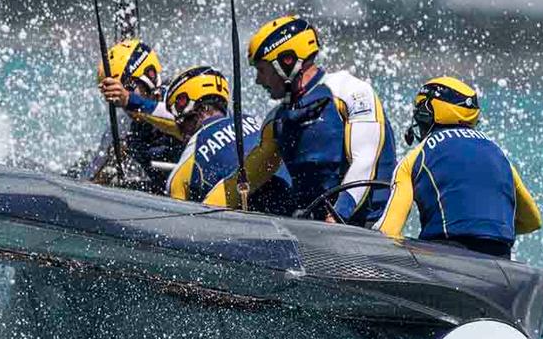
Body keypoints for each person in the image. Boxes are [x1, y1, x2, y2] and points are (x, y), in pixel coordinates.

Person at [203, 15, 396, 226]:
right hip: (316, 231)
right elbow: (242, 181)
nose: (259, 81)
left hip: (368, 230)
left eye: (262, 70)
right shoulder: (276, 121)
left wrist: (337, 216)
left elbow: (365, 161)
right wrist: (201, 216)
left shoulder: (350, 92)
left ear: (287, 62)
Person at [372, 77, 542, 258]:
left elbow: (388, 231)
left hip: (444, 260)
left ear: (429, 112)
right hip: (500, 260)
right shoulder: (498, 154)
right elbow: (533, 221)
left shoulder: (417, 156)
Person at [164, 66, 291, 212]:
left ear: (189, 108)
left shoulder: (195, 146)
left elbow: (175, 213)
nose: (179, 130)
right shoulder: (257, 122)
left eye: (178, 121)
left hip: (255, 223)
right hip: (299, 205)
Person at [94, 39, 184, 193]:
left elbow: (185, 122)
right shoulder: (124, 130)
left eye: (127, 88)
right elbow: (91, 182)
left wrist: (130, 100)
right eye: (115, 95)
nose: (120, 99)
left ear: (150, 76)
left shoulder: (181, 97)